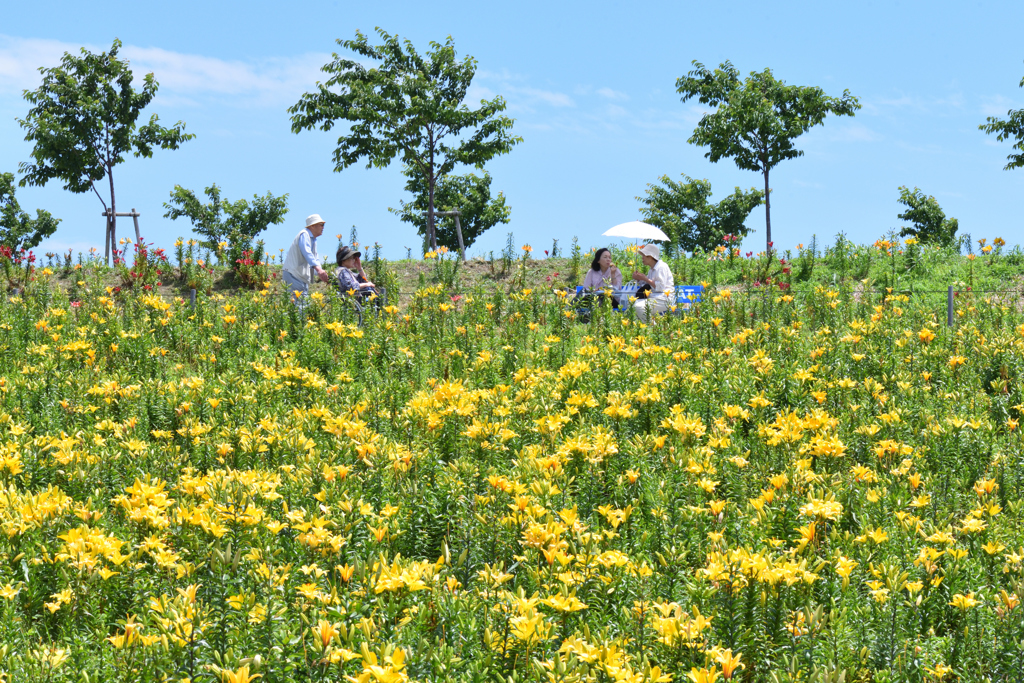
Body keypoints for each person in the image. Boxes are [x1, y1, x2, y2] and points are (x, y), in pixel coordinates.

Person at [283, 214, 329, 306]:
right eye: (321, 224)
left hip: (300, 277)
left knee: (302, 306)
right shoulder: (304, 234)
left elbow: (315, 259)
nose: (323, 227)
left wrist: (321, 274)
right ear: (312, 226)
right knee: (298, 307)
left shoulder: (313, 240)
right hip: (293, 274)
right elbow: (307, 252)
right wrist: (319, 270)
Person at [631, 243, 675, 322]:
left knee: (638, 307)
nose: (642, 258)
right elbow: (647, 286)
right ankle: (651, 327)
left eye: (644, 255)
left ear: (650, 256)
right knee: (631, 304)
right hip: (656, 297)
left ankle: (652, 329)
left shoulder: (661, 267)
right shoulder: (652, 269)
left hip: (665, 299)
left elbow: (660, 287)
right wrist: (639, 279)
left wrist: (646, 279)